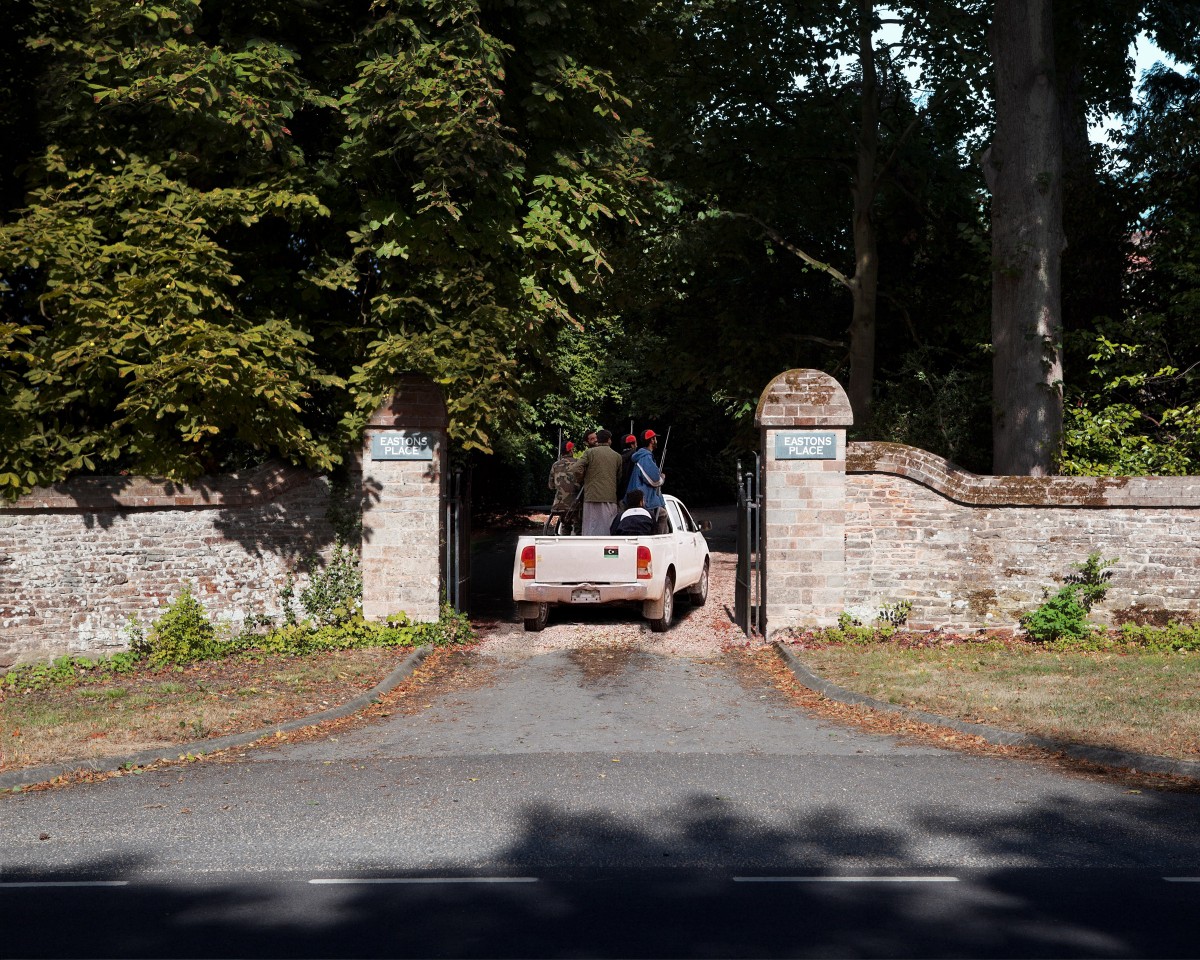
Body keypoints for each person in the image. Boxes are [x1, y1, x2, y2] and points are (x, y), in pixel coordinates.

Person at [570, 428, 623, 536]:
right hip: (610, 496)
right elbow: (619, 477)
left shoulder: (589, 453)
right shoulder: (617, 456)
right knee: (608, 527)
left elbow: (576, 469)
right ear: (609, 440)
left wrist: (582, 479)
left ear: (598, 440)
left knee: (591, 528)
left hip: (591, 496)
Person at [626, 429, 667, 532]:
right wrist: (662, 478)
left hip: (644, 499)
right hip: (646, 500)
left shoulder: (643, 456)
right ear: (651, 440)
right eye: (655, 438)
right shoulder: (645, 457)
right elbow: (654, 480)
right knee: (662, 515)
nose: (656, 440)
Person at [618, 433, 637, 504]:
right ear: (632, 445)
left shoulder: (618, 458)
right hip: (634, 495)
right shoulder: (637, 457)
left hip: (620, 495)